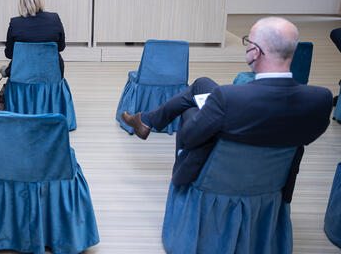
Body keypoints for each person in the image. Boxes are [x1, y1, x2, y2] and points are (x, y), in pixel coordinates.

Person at [122, 16, 331, 202]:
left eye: (249, 42)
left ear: (256, 52)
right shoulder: (320, 99)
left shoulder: (229, 97)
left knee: (190, 110)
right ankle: (146, 120)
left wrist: (205, 113)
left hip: (222, 174)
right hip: (274, 178)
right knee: (202, 84)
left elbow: (190, 136)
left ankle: (147, 122)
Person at [2, 0, 65, 77]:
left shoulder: (15, 23)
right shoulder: (55, 18)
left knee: (5, 68)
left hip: (23, 75)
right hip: (51, 74)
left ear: (22, 1)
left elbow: (9, 54)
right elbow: (61, 47)